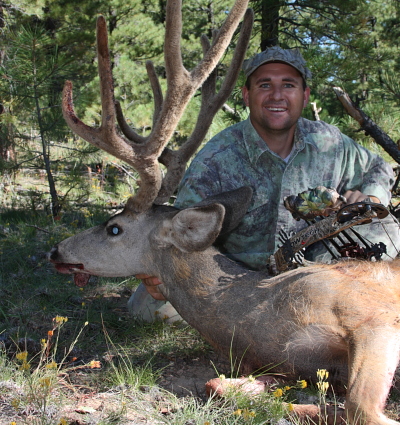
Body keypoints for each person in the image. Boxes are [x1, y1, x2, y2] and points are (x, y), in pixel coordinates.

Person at [129, 46, 400, 321]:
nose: (277, 95)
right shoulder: (216, 159)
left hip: (315, 271)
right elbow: (182, 228)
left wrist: (372, 196)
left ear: (304, 96)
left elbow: (379, 167)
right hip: (234, 280)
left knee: (385, 238)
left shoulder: (328, 142)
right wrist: (160, 266)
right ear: (247, 95)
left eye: (289, 85)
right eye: (265, 84)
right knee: (148, 313)